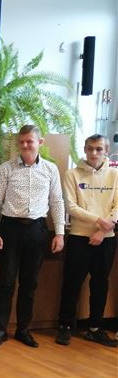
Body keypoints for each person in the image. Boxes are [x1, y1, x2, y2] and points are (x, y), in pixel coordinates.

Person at [0, 124, 65, 348]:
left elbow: (57, 201)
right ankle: (0, 329)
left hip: (37, 230)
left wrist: (59, 233)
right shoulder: (6, 169)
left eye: (29, 141)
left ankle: (23, 329)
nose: (25, 145)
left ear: (40, 142)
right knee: (6, 282)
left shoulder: (50, 170)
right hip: (10, 229)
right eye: (21, 141)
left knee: (29, 283)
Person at [56, 134, 118, 347]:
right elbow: (71, 206)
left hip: (106, 239)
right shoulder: (72, 174)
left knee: (100, 284)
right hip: (79, 237)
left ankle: (95, 328)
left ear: (106, 151)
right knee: (72, 284)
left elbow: (117, 206)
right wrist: (99, 221)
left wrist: (103, 230)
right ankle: (65, 326)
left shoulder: (114, 175)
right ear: (84, 149)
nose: (94, 153)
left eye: (99, 149)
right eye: (90, 148)